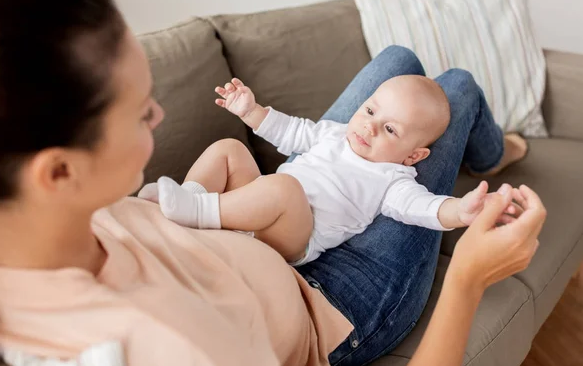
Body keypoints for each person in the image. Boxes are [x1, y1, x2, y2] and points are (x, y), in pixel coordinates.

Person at [0, 0, 545, 366]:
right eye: (140, 111)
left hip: (271, 221)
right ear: (57, 172)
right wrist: (468, 274)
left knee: (399, 63)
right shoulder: (177, 353)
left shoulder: (27, 233)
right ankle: (489, 155)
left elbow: (310, 148)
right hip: (325, 300)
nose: (158, 115)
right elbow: (316, 148)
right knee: (460, 88)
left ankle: (480, 150)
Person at [138, 75, 524, 266]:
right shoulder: (337, 134)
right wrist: (250, 111)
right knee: (230, 149)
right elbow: (291, 132)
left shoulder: (393, 181)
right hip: (254, 207)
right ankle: (189, 199)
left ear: (414, 156)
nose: (369, 126)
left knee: (285, 187)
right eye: (371, 110)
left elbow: (424, 209)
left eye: (390, 129)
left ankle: (197, 212)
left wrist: (461, 210)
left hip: (289, 238)